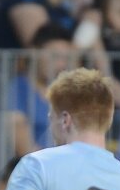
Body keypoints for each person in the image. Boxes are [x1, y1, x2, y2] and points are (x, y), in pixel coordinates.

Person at [6, 23, 77, 154]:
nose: (61, 64)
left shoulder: (71, 94)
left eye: (66, 58)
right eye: (55, 56)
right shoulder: (16, 89)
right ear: (34, 53)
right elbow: (24, 146)